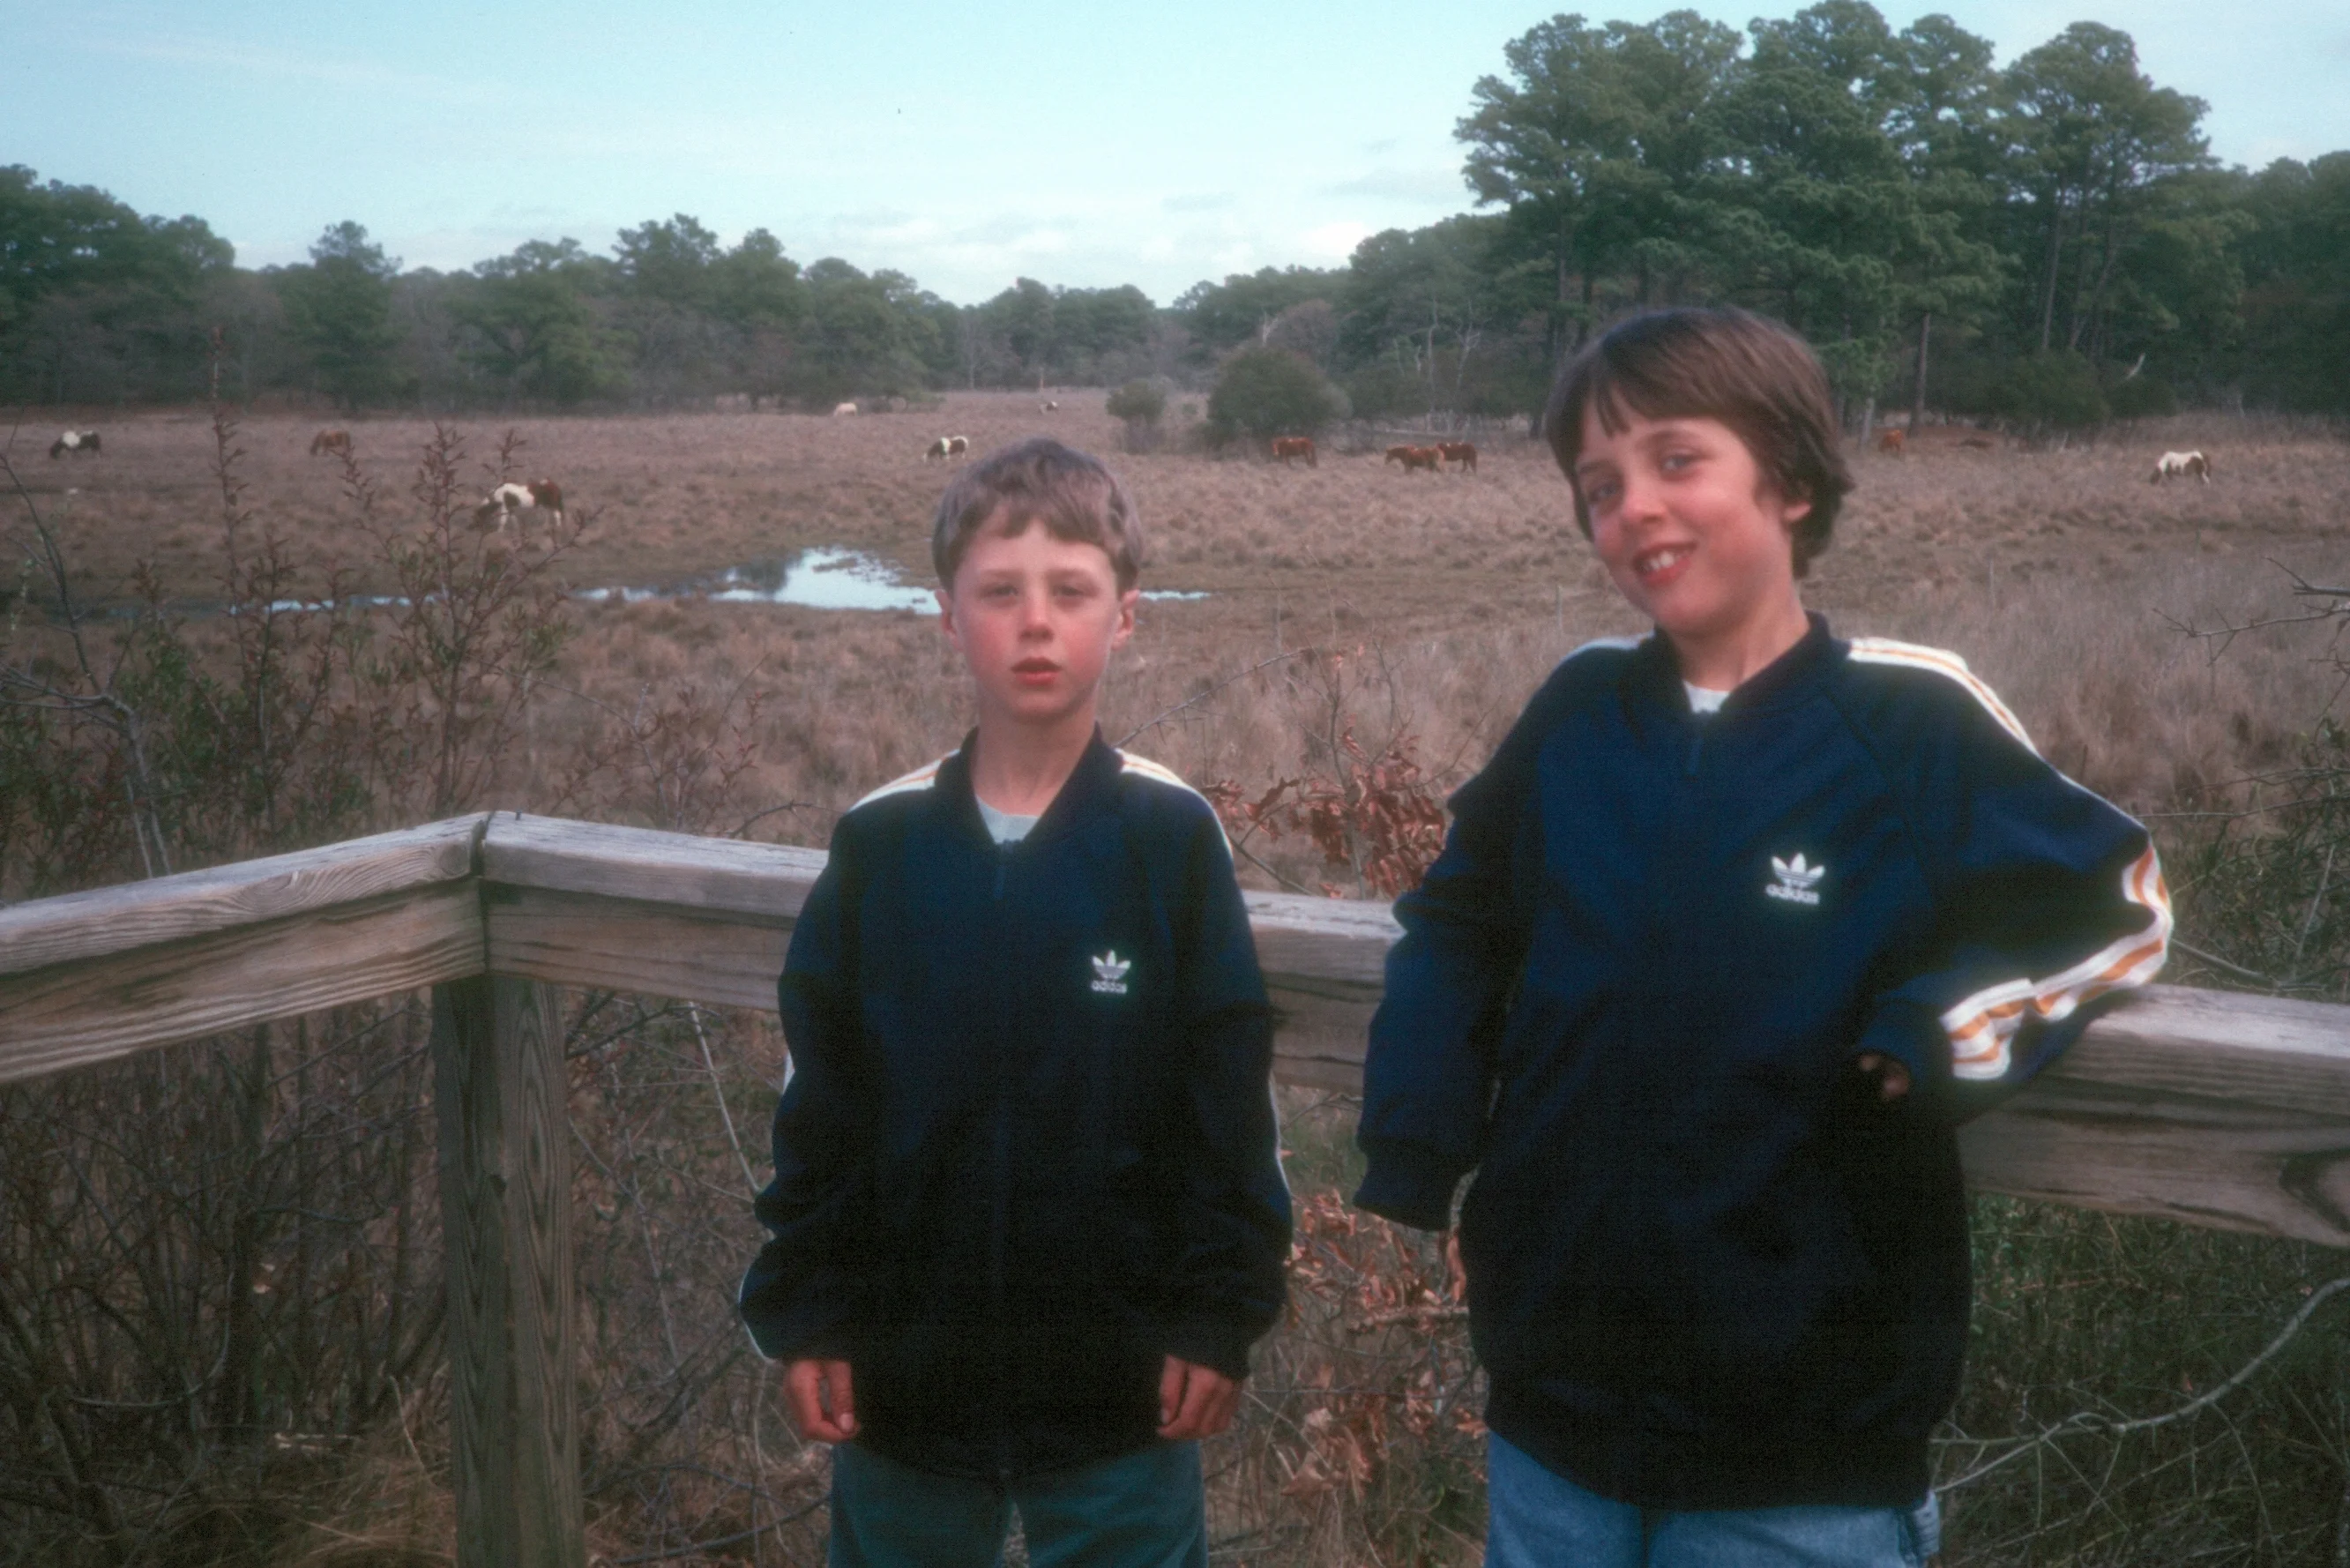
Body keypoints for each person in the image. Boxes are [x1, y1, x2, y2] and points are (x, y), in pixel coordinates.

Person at [1353, 308, 2171, 1567]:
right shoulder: (1578, 709)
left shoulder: (1906, 718)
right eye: (1598, 485)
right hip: (1551, 1420)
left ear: (1787, 478)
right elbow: (1458, 916)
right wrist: (1417, 1138)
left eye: (1678, 460)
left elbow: (2115, 907)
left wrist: (1942, 1028)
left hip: (1805, 1456)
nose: (1633, 508)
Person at [740, 437, 1291, 1568]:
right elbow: (824, 1100)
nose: (1034, 622)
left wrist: (1215, 1315)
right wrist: (814, 1312)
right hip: (902, 1395)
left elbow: (1228, 1100)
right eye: (1000, 592)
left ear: (1123, 617)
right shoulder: (882, 841)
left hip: (1121, 1398)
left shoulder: (1168, 839)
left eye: (1070, 592)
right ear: (950, 616)